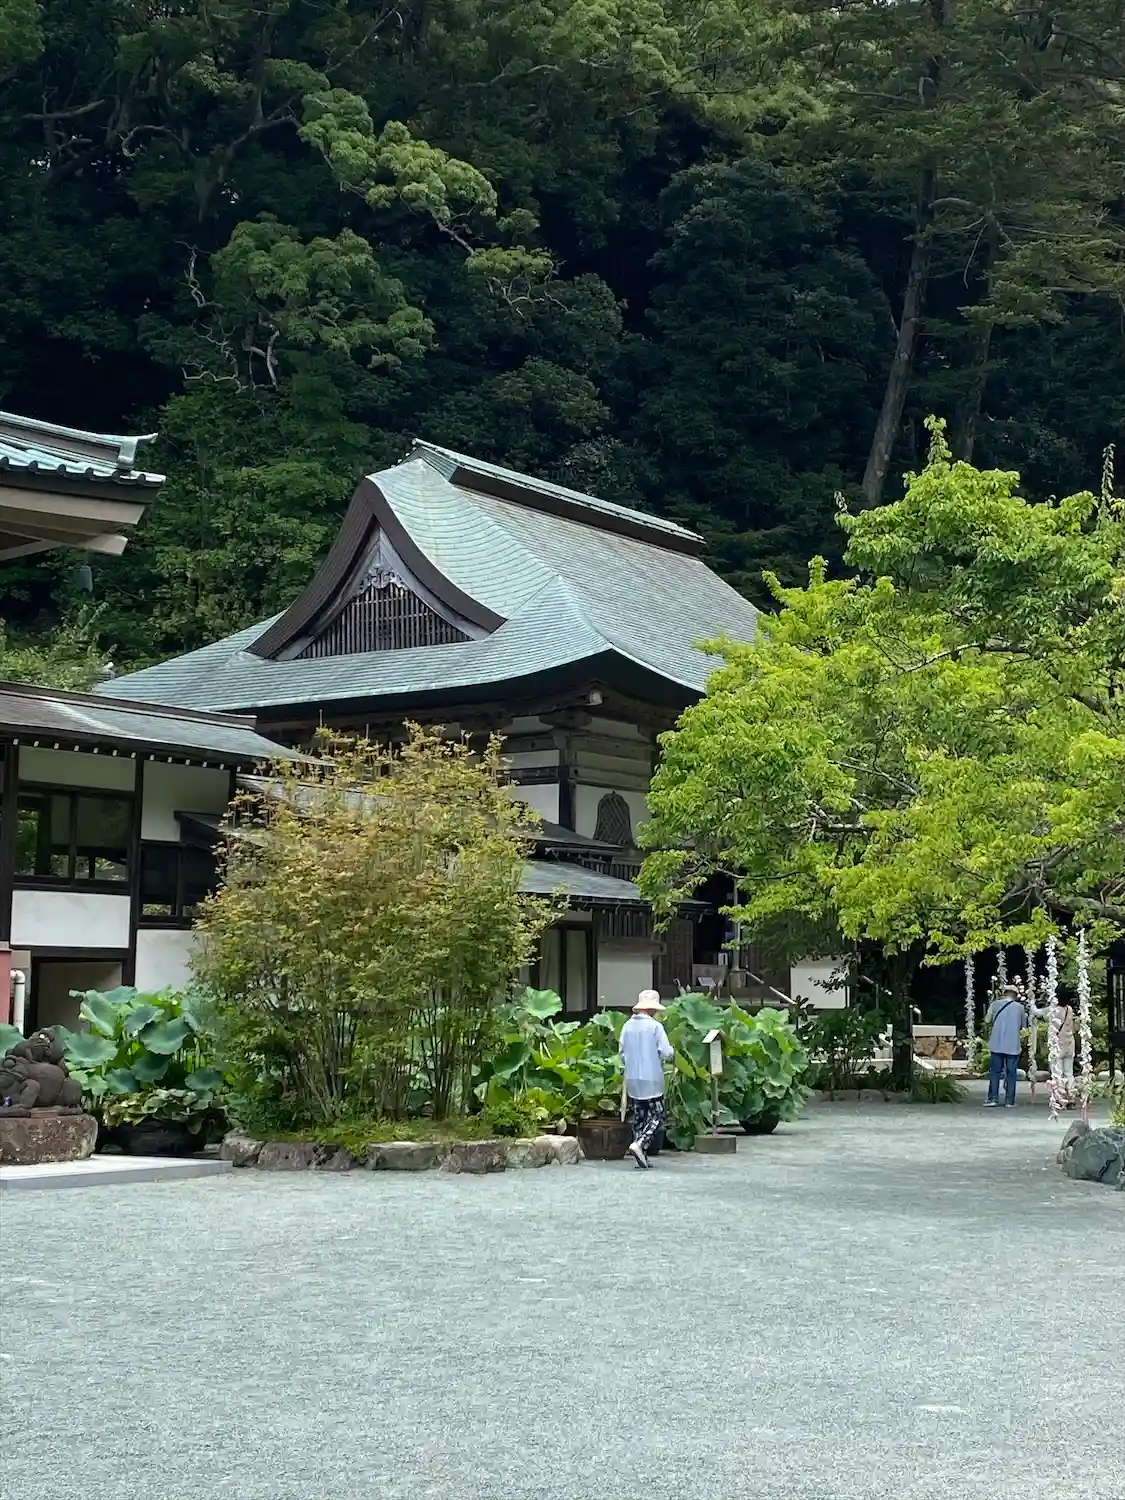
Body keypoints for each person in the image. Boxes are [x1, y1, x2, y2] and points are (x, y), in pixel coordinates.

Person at [618, 990, 674, 1169]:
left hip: (633, 1078)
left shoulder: (627, 1026)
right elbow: (667, 1052)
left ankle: (642, 1156)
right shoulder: (655, 1027)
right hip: (652, 1078)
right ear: (652, 1009)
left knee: (640, 1117)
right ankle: (640, 1143)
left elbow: (621, 1054)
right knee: (658, 1115)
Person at [983, 982, 1026, 1108]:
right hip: (1013, 1045)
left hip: (997, 1043)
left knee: (995, 1072)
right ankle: (1009, 1101)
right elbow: (1023, 1026)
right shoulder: (1020, 1008)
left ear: (1004, 994)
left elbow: (987, 1020)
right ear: (1015, 995)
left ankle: (993, 1098)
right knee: (1011, 1073)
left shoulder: (995, 1004)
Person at [1029, 994, 1077, 1104]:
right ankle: (1071, 1096)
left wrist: (1031, 1002)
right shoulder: (1069, 1009)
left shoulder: (1053, 1009)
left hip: (1058, 1045)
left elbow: (1037, 1012)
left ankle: (1060, 1097)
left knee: (1057, 1072)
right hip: (1070, 1044)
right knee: (1069, 1073)